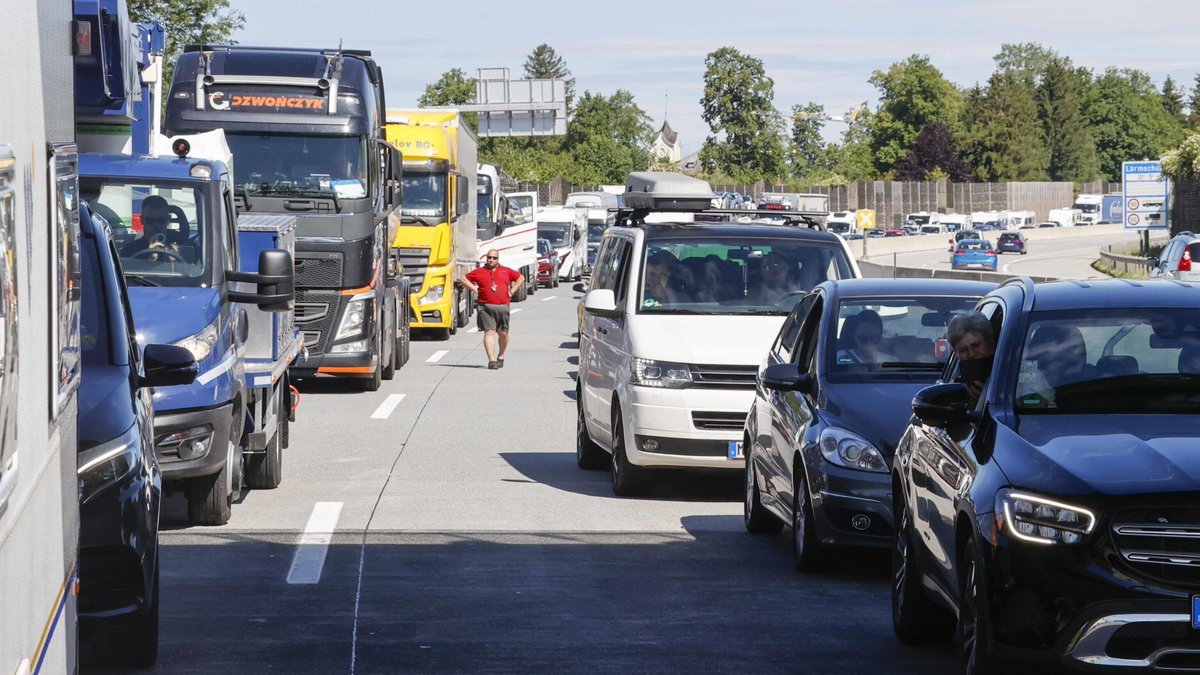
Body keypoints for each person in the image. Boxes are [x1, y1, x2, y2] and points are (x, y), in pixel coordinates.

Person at [461, 249, 525, 369]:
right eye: (489, 257)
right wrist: (474, 289)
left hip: (503, 307)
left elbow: (521, 278)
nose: (491, 260)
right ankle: (491, 360)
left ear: (498, 259)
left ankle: (501, 355)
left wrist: (512, 290)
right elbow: (464, 279)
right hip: (485, 307)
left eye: (494, 258)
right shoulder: (479, 272)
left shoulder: (505, 271)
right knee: (489, 332)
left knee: (503, 334)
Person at [120, 195, 191, 262]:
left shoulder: (182, 246)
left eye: (161, 220)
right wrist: (150, 259)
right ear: (142, 220)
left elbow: (193, 271)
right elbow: (126, 273)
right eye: (150, 220)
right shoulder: (130, 249)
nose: (156, 225)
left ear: (168, 220)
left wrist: (176, 260)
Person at [947, 312, 996, 404]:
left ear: (991, 343)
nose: (971, 354)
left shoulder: (1012, 374)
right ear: (956, 354)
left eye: (976, 345)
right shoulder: (954, 388)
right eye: (963, 350)